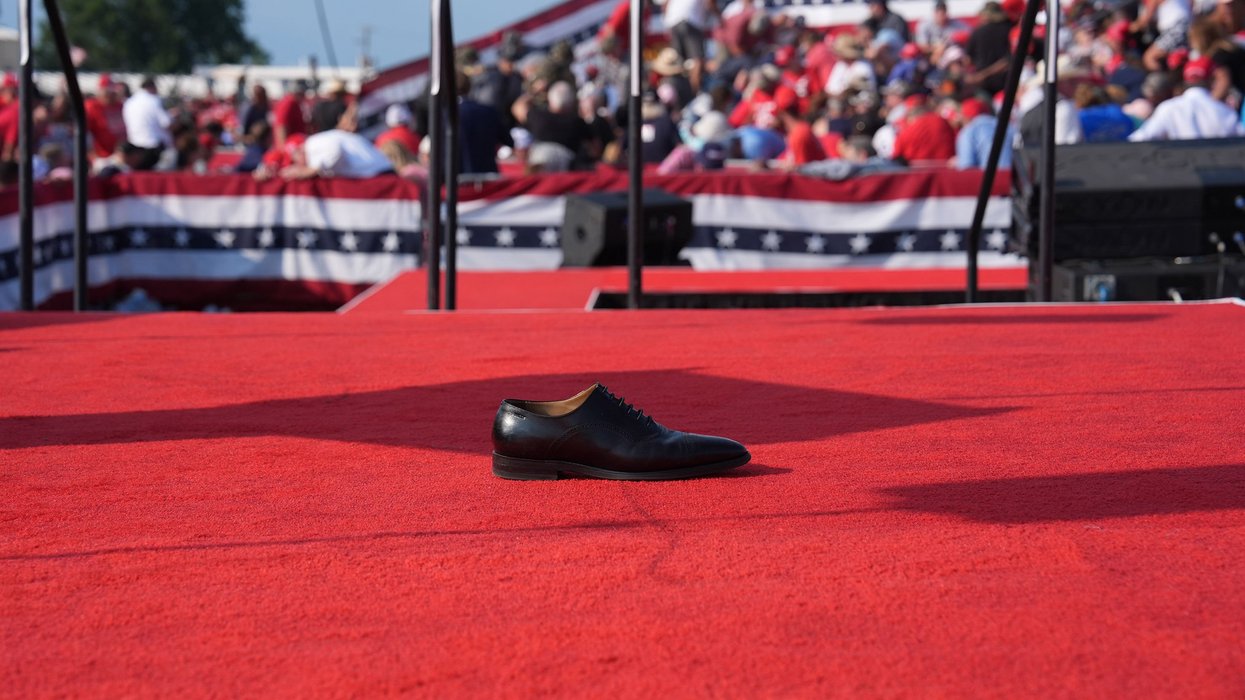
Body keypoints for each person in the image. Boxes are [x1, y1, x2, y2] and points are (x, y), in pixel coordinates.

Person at [1128, 57, 1245, 140]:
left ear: (1186, 80)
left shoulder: (1169, 108)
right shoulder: (1225, 112)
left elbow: (1141, 139)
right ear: (1211, 81)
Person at [663, 0, 718, 92]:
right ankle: (695, 94)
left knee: (678, 61)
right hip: (690, 20)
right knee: (697, 60)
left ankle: (678, 94)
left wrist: (666, 22)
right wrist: (720, 17)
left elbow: (666, 4)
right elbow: (710, 3)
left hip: (673, 21)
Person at [121, 77, 171, 170]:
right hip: (153, 149)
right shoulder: (154, 100)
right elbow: (167, 123)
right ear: (152, 87)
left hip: (133, 148)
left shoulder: (129, 102)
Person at [966, 2, 1013, 95]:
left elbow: (968, 60)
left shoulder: (977, 32)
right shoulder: (1010, 29)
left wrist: (981, 75)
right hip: (1008, 82)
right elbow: (1009, 59)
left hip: (983, 84)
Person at [272, 80, 308, 150]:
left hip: (295, 147)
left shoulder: (295, 104)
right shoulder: (288, 103)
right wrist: (283, 149)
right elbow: (281, 126)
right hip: (290, 148)